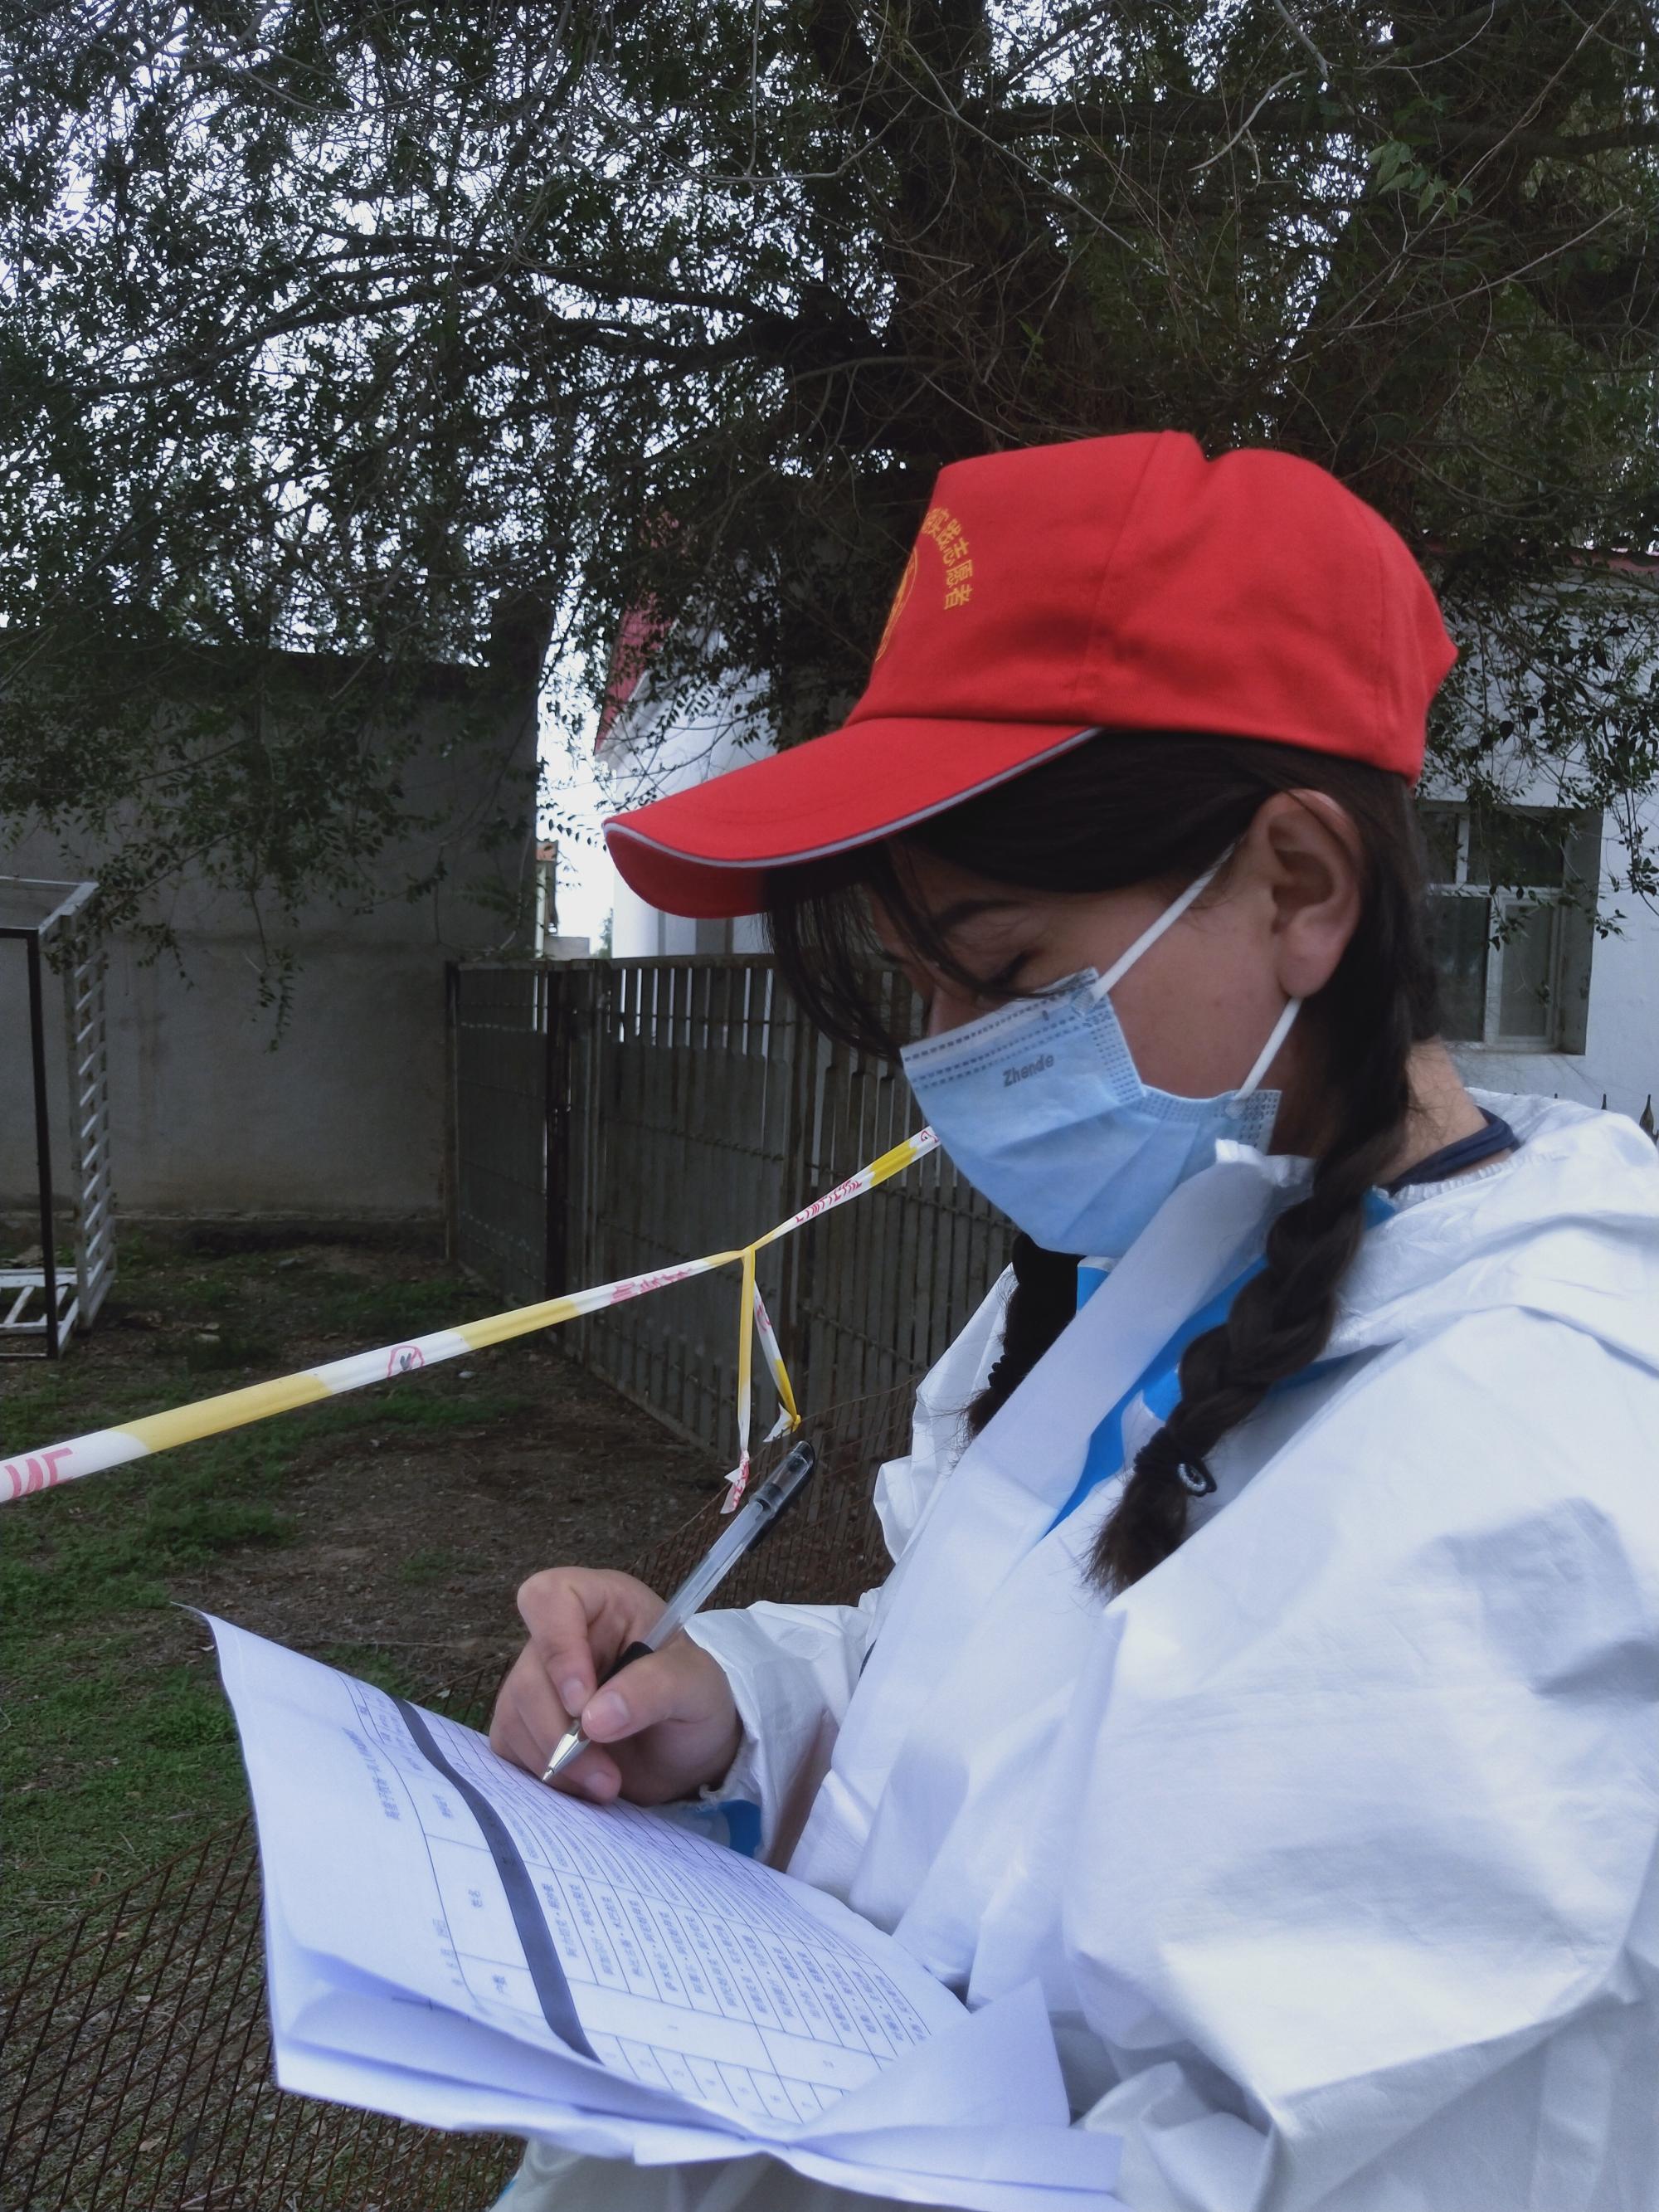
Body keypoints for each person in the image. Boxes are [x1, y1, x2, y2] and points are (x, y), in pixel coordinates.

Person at [488, 432, 1659, 2212]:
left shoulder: (1539, 1455)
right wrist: (734, 1706)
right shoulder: (1164, 1259)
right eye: (924, 986)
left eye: (1006, 972)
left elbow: (1272, 2156)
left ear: (1300, 886)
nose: (951, 1053)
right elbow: (991, 1697)